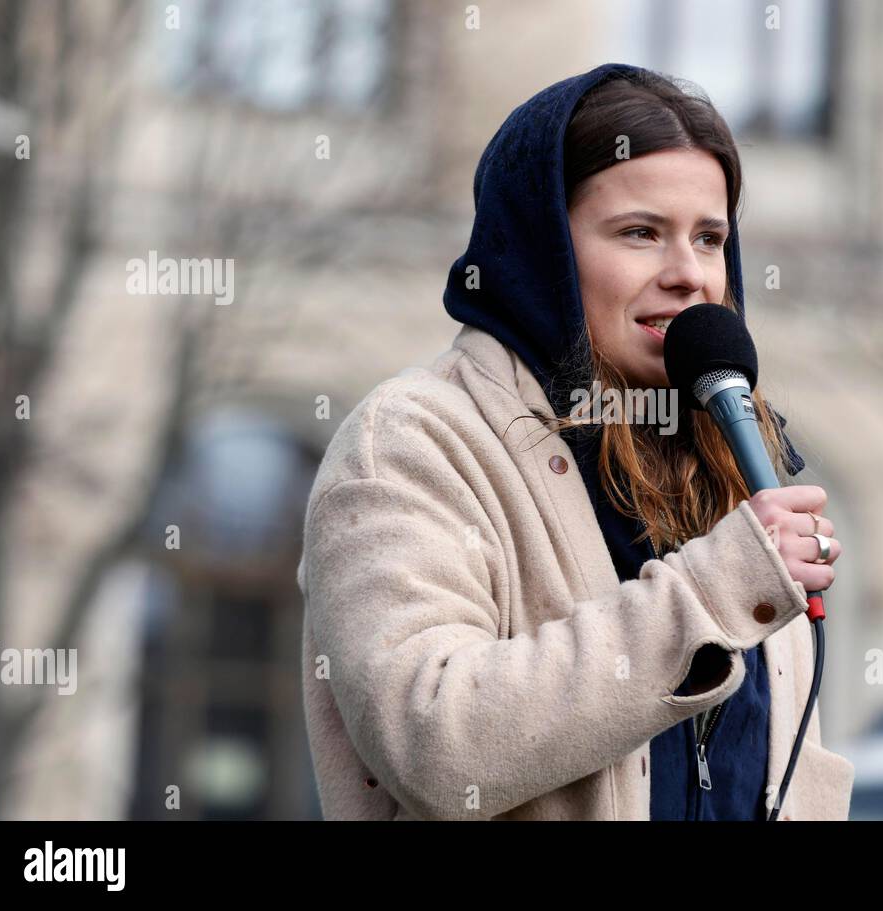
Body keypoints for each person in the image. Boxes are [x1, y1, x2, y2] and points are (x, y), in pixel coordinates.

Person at [298, 63, 854, 821]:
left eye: (710, 238)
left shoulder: (732, 470)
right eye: (640, 233)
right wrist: (709, 593)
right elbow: (435, 739)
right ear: (544, 253)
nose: (689, 274)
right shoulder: (412, 442)